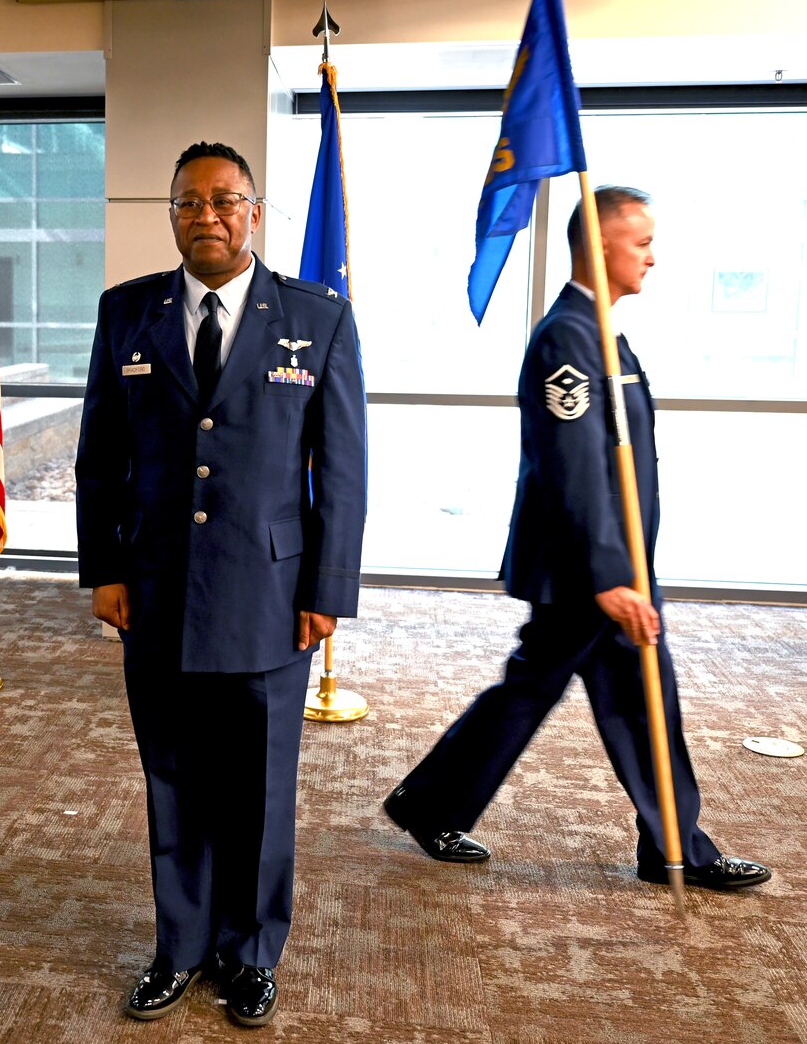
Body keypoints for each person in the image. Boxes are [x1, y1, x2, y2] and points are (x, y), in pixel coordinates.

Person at [383, 186, 772, 892]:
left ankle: (667, 844)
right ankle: (674, 847)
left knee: (586, 692)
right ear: (599, 246)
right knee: (578, 692)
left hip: (611, 565)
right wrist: (609, 575)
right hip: (586, 570)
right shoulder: (567, 336)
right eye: (641, 242)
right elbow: (575, 468)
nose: (653, 256)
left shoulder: (600, 330)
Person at [75, 142, 367, 1027]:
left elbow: (344, 470)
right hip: (156, 587)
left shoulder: (316, 318)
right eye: (188, 202)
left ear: (254, 213)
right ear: (170, 214)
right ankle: (180, 946)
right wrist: (104, 568)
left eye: (224, 200)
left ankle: (249, 952)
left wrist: (329, 589)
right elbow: (100, 457)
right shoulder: (127, 312)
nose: (206, 215)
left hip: (269, 594)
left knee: (259, 785)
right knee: (172, 775)